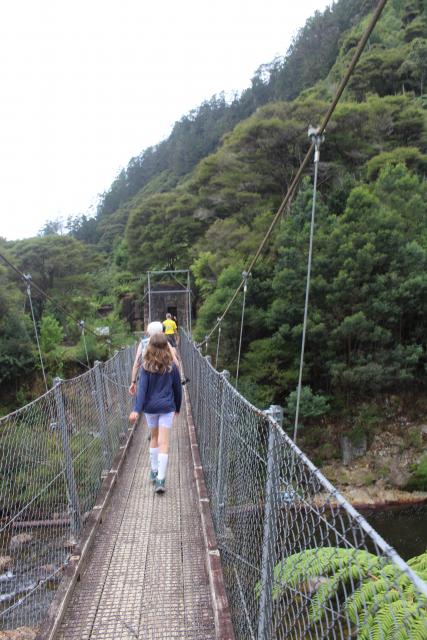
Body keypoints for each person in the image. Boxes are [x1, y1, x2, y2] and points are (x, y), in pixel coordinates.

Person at [129, 333, 182, 493]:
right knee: (164, 443)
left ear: (150, 346)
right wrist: (177, 407)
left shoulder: (145, 367)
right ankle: (161, 480)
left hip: (150, 409)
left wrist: (136, 410)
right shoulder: (172, 367)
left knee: (154, 438)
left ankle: (153, 471)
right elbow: (178, 389)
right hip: (167, 408)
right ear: (166, 346)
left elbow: (142, 391)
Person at [129, 321, 178, 396]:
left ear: (149, 332)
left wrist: (133, 382)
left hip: (146, 378)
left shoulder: (143, 343)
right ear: (161, 331)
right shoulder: (165, 343)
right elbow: (176, 363)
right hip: (164, 378)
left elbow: (136, 363)